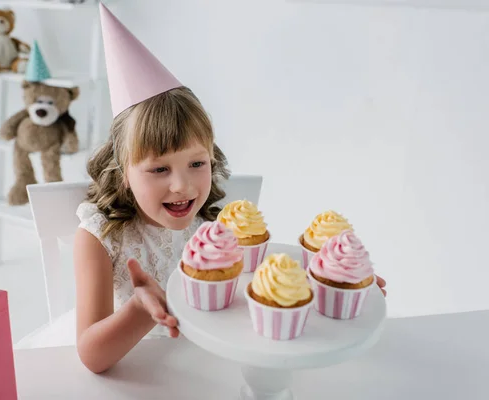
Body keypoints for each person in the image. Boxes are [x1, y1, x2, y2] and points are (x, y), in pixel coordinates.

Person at [73, 4, 387, 374]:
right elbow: (92, 356)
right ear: (124, 171)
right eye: (159, 168)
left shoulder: (222, 228)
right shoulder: (100, 235)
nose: (182, 185)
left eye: (196, 163)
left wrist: (332, 284)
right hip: (141, 378)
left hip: (213, 372)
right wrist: (140, 310)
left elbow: (260, 301)